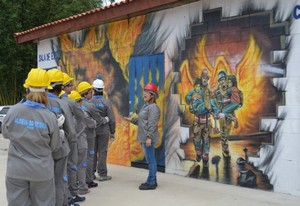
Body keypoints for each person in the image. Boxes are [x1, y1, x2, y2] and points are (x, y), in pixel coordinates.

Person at [2, 68, 61, 206]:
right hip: (41, 171)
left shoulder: (13, 111)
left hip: (16, 170)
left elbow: (5, 133)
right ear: (46, 91)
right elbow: (55, 146)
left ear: (27, 89)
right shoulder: (50, 117)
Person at [46, 68, 84, 206]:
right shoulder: (63, 104)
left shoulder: (38, 102)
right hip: (60, 148)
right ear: (61, 87)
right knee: (60, 179)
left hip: (42, 149)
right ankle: (65, 202)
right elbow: (71, 131)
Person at [124, 83, 160, 190]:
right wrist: (132, 120)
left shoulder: (153, 107)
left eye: (147, 93)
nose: (144, 94)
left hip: (148, 138)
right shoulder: (146, 106)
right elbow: (143, 121)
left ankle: (151, 182)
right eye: (144, 92)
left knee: (151, 160)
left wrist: (149, 137)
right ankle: (152, 180)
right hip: (144, 137)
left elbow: (152, 124)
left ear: (152, 95)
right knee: (150, 160)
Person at [77, 81, 109, 189]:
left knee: (80, 157)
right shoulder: (90, 106)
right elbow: (99, 120)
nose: (92, 93)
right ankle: (89, 179)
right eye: (91, 92)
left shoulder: (75, 103)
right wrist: (106, 119)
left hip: (78, 134)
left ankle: (80, 179)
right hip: (89, 134)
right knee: (90, 157)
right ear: (86, 93)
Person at [185, 68, 218, 172]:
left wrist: (213, 110)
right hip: (197, 121)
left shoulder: (210, 92)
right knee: (197, 140)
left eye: (206, 78)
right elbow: (187, 98)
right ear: (201, 78)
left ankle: (206, 157)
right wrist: (192, 99)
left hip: (207, 121)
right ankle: (198, 153)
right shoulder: (195, 90)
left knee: (207, 140)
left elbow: (214, 104)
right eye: (203, 77)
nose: (205, 80)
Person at [68, 90, 97, 195]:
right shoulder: (81, 113)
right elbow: (92, 123)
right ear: (79, 102)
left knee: (73, 166)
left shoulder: (69, 114)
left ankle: (73, 187)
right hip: (81, 143)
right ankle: (82, 187)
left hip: (72, 143)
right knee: (82, 165)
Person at [91, 79, 116, 181]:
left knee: (92, 152)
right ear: (102, 89)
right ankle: (102, 174)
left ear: (93, 89)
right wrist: (112, 131)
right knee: (102, 152)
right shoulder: (106, 102)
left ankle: (91, 173)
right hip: (103, 131)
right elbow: (112, 119)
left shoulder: (89, 102)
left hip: (92, 130)